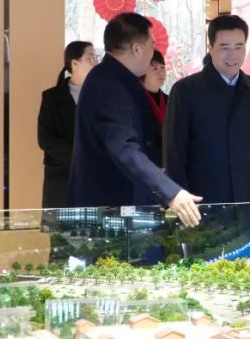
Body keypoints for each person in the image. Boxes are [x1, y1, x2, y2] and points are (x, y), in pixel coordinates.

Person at [68, 12, 201, 227]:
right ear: (137, 49)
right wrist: (172, 193)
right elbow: (124, 148)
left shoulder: (119, 79)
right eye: (152, 45)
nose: (154, 52)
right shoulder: (108, 84)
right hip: (110, 209)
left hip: (123, 206)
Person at [164, 15, 250, 203]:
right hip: (203, 201)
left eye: (239, 47)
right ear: (211, 48)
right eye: (224, 47)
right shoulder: (186, 91)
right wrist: (179, 199)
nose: (233, 55)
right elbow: (174, 153)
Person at [37, 40, 95, 209]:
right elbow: (45, 139)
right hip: (61, 176)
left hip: (94, 176)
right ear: (75, 63)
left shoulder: (100, 95)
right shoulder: (51, 97)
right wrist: (78, 159)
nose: (95, 63)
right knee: (61, 224)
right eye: (90, 58)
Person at [142, 50, 169, 167]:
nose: (161, 72)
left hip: (168, 163)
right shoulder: (135, 101)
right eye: (154, 68)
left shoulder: (170, 100)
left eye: (162, 67)